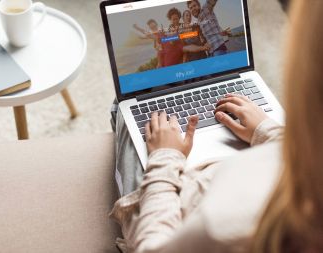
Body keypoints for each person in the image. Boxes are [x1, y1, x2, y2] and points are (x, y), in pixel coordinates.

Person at [109, 0, 323, 252]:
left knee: (125, 107)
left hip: (175, 204)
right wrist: (270, 132)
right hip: (247, 162)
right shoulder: (308, 172)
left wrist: (164, 158)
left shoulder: (221, 229)